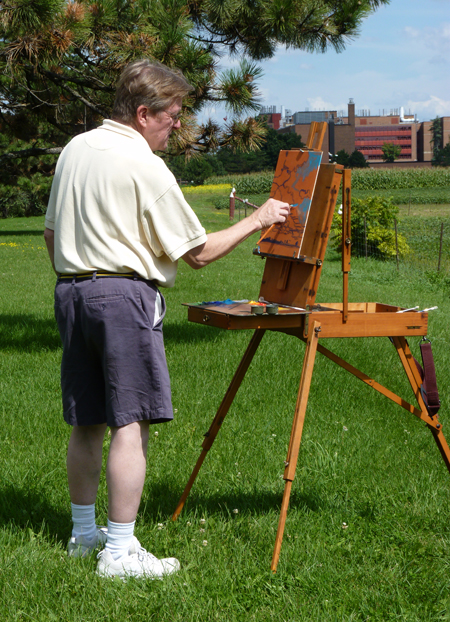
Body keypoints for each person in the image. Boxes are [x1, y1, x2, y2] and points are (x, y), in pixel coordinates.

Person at [44, 59, 290, 580]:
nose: (177, 125)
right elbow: (197, 253)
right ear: (142, 113)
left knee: (87, 420)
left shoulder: (75, 149)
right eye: (173, 115)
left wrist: (79, 278)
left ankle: (83, 535)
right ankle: (119, 551)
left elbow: (49, 233)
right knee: (129, 422)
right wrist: (259, 217)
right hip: (122, 296)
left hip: (71, 292)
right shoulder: (144, 164)